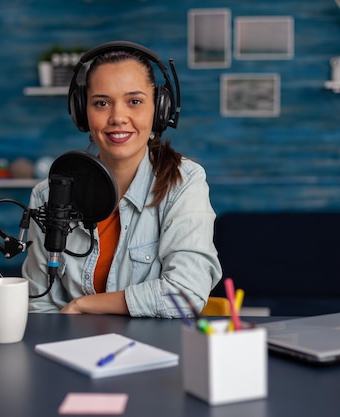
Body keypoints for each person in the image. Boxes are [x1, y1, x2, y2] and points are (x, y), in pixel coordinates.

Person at [22, 41, 222, 317]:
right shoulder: (48, 194)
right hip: (71, 350)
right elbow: (39, 302)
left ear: (159, 110)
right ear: (82, 112)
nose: (118, 117)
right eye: (102, 103)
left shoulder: (184, 183)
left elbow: (186, 294)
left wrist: (83, 305)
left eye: (135, 102)